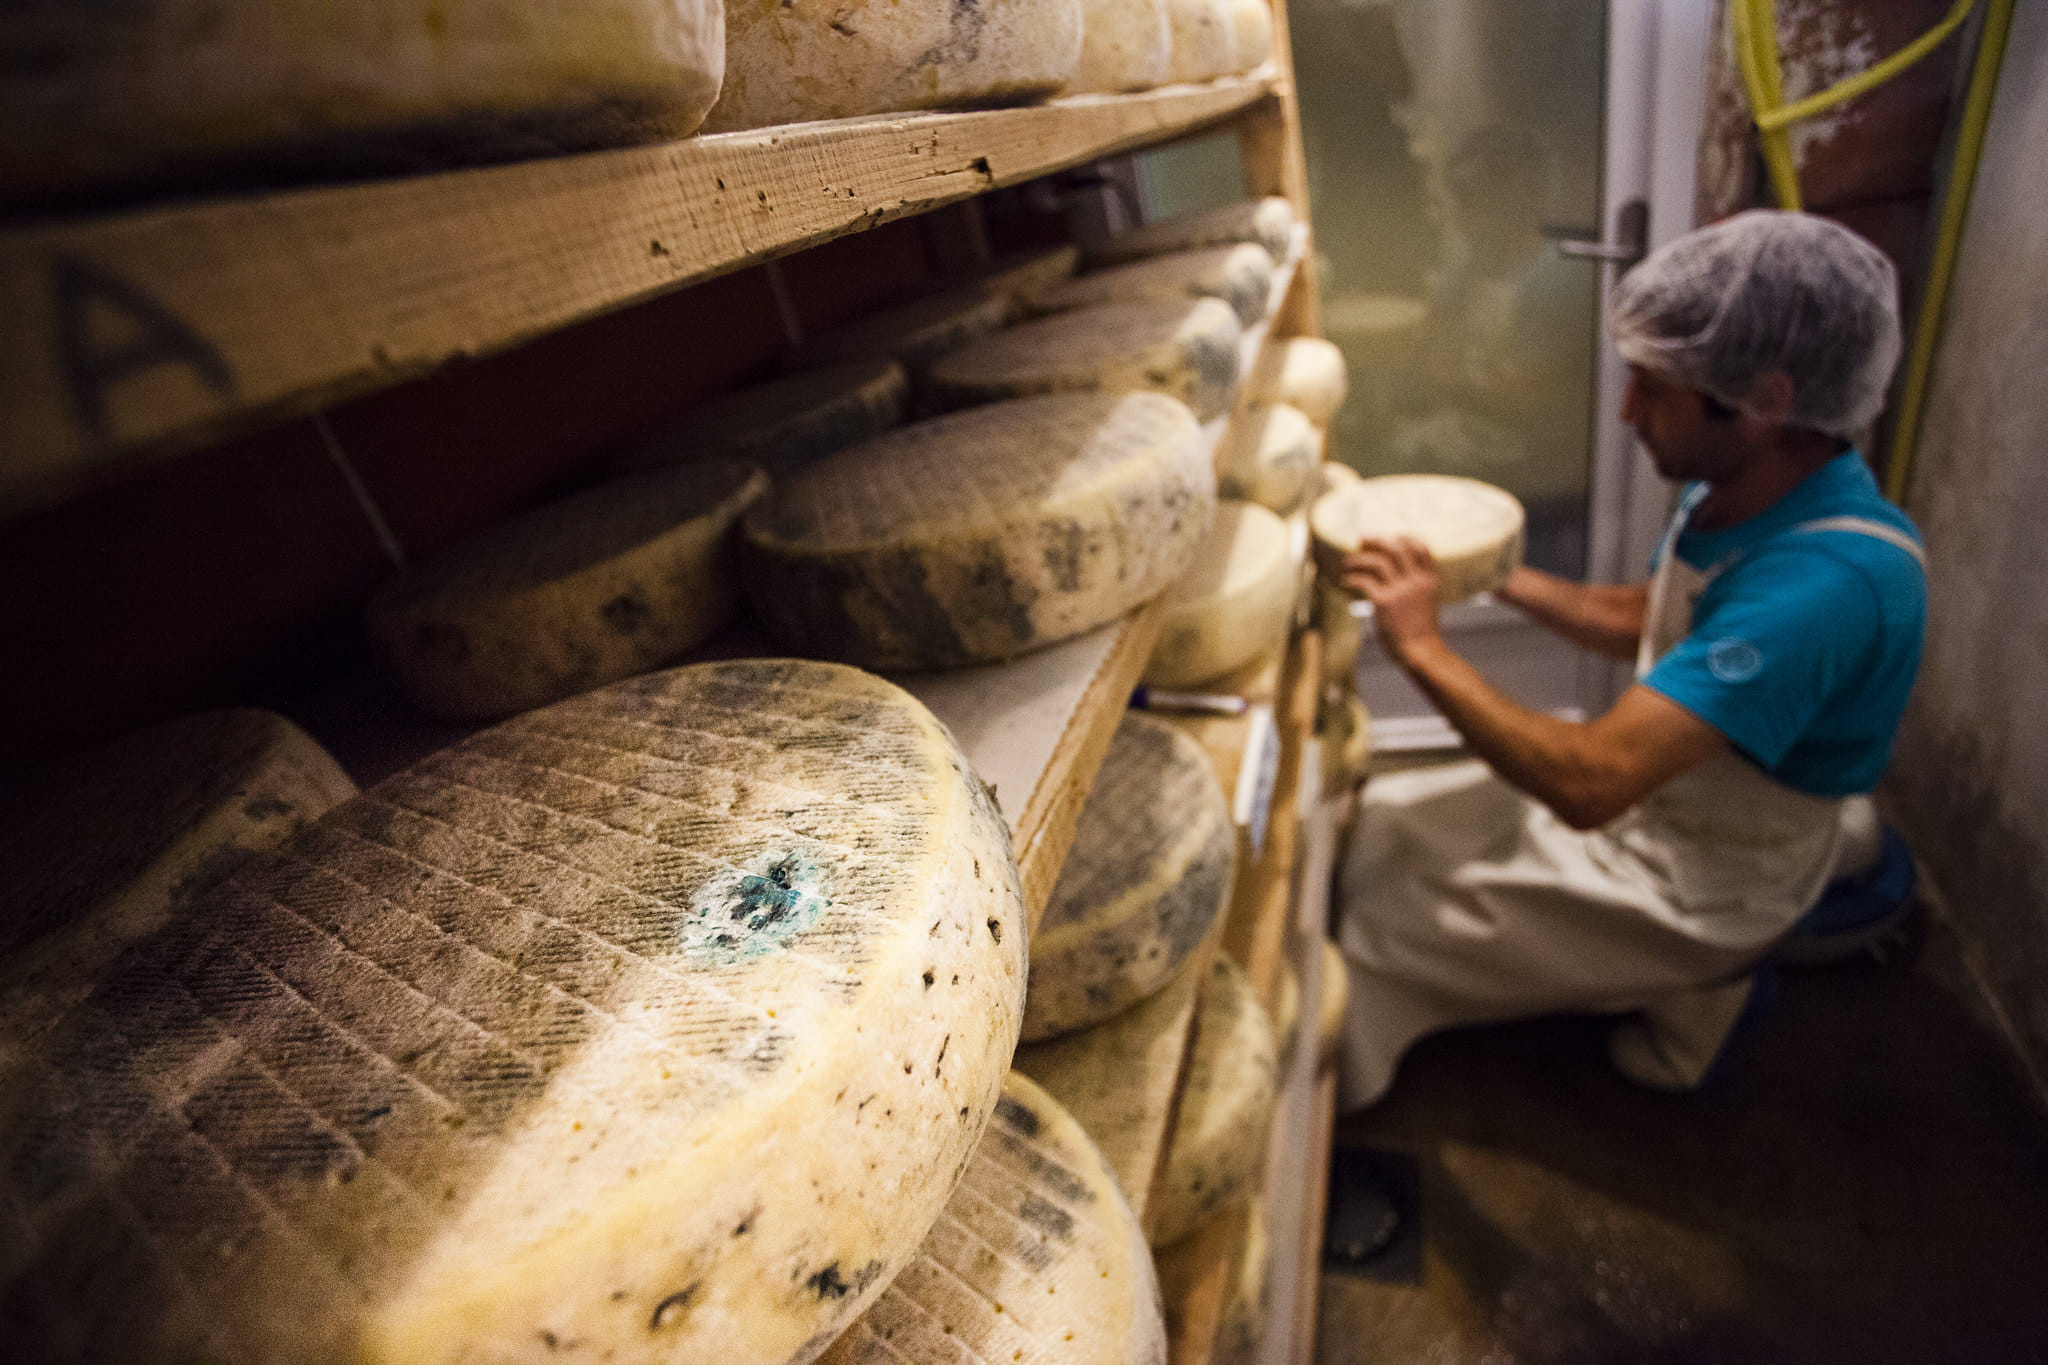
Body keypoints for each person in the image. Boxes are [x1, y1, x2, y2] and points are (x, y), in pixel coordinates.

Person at [1331, 210, 1928, 1107]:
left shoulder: (1825, 584)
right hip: (1669, 782)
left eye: (1655, 389)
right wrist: (1485, 572)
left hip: (1708, 871)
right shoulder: (1746, 487)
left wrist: (1420, 646)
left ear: (1766, 398)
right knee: (1380, 826)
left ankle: (1704, 975)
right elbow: (1647, 618)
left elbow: (1590, 782)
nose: (1626, 411)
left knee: (1375, 943)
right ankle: (1686, 988)